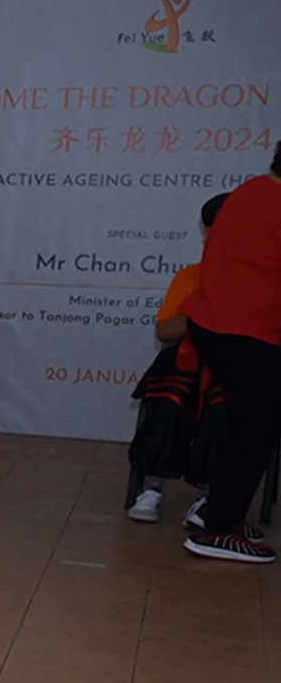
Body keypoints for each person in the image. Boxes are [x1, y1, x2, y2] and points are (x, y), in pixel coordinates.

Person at [182, 148, 281, 562]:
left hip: (213, 325)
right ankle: (218, 530)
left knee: (246, 426)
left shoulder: (250, 191)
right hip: (247, 330)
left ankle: (217, 514)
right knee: (255, 433)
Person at [126, 192, 230, 525]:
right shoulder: (190, 276)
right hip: (188, 356)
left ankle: (209, 495)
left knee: (224, 405)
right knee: (170, 397)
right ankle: (151, 487)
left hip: (235, 361)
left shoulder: (266, 278)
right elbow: (165, 330)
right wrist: (204, 308)